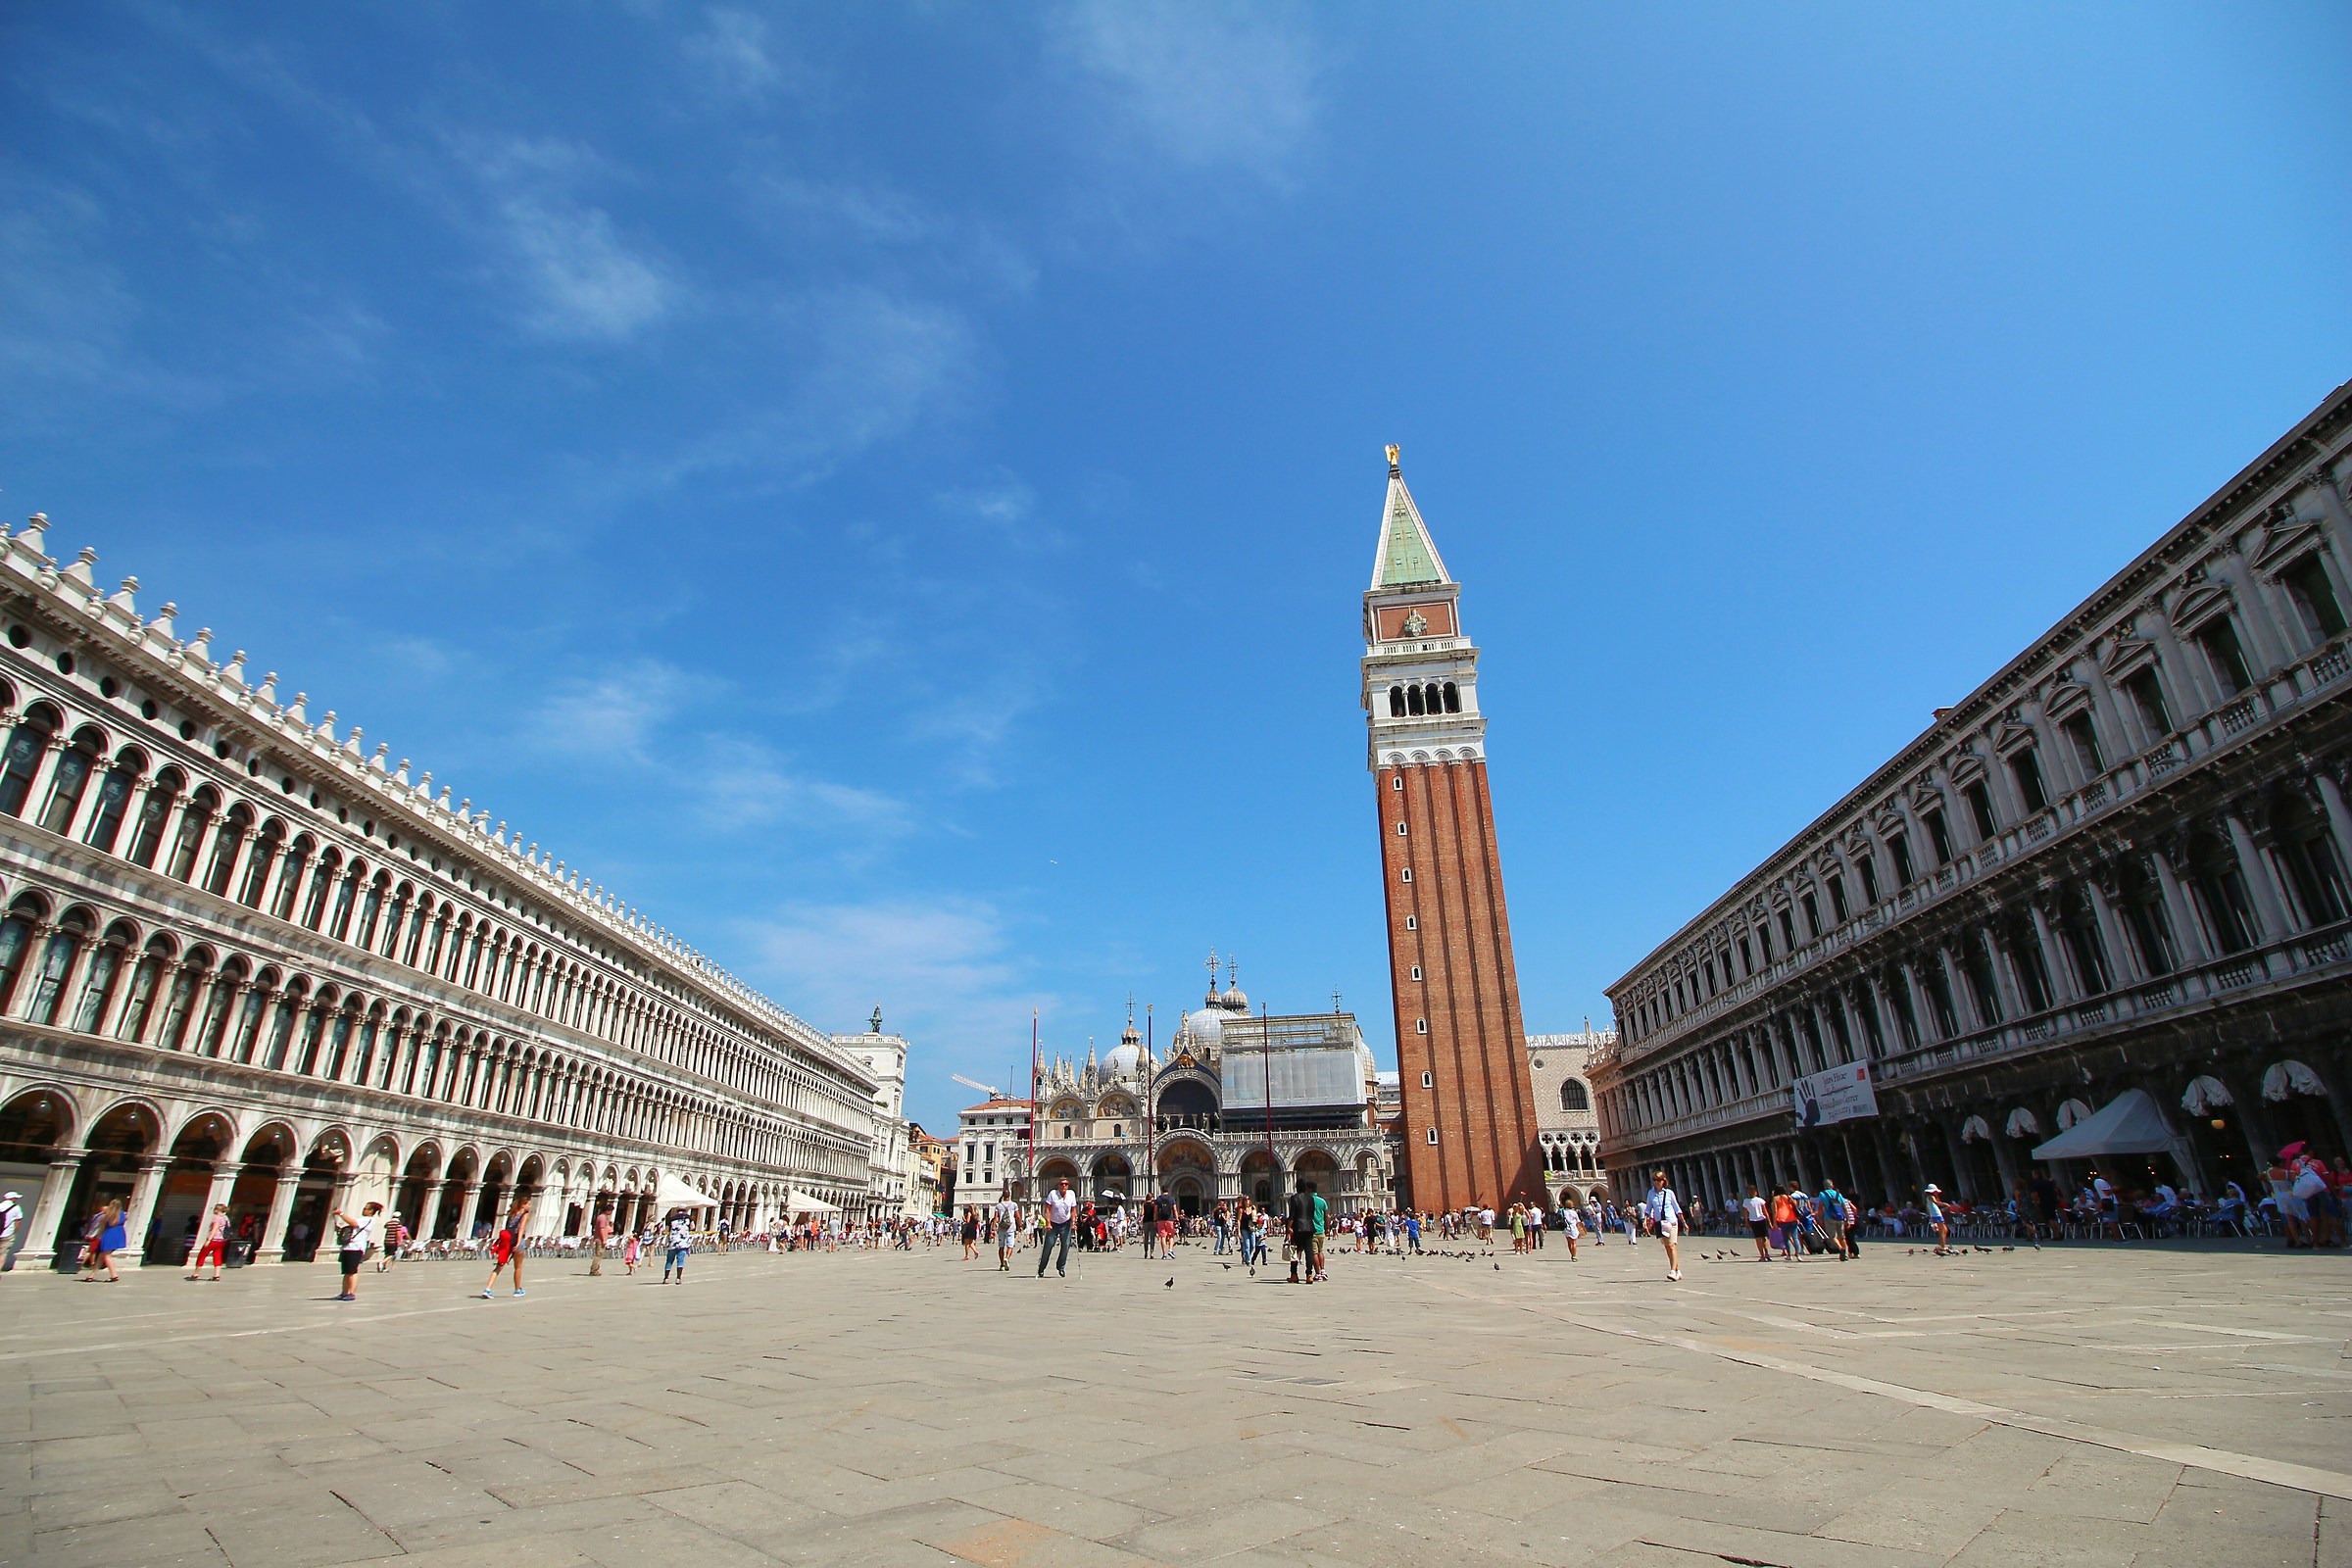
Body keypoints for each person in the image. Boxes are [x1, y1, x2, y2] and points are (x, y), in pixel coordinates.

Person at [479, 1197, 532, 1298]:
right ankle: (517, 1290)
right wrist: (518, 1242)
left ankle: (488, 1289)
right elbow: (521, 1228)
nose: (530, 1206)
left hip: (507, 1241)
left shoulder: (511, 1214)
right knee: (518, 1267)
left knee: (499, 1266)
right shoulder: (525, 1215)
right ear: (523, 1205)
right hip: (517, 1241)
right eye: (528, 1204)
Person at [332, 1200, 379, 1301]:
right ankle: (344, 1293)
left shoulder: (368, 1220)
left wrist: (341, 1213)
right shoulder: (363, 1219)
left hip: (356, 1248)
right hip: (348, 1247)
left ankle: (352, 1293)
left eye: (366, 1208)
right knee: (346, 1272)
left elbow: (353, 1223)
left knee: (352, 1271)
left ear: (371, 1211)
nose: (364, 1210)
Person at [1642, 1170, 1684, 1282]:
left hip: (1671, 1222)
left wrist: (1683, 1222)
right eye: (1654, 1180)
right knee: (1667, 1248)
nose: (1656, 1182)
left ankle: (1672, 1271)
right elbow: (1648, 1208)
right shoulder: (1651, 1193)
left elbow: (1677, 1208)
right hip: (1660, 1223)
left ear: (1663, 1181)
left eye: (1659, 1180)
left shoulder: (1669, 1193)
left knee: (1671, 1245)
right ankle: (1677, 1270)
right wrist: (1645, 1221)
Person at [1038, 1177, 1077, 1278]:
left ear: (1068, 1185)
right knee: (1048, 1246)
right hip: (1053, 1224)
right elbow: (1047, 1209)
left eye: (1065, 1184)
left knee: (1066, 1245)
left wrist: (1073, 1222)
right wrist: (1048, 1223)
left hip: (1066, 1223)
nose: (1063, 1186)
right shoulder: (1053, 1194)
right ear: (1058, 1186)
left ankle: (1061, 1266)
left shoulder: (1071, 1194)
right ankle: (1042, 1268)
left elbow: (1073, 1210)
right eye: (1061, 1184)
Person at [77, 1200, 125, 1282]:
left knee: (107, 1255)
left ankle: (114, 1275)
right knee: (101, 1256)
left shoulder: (108, 1215)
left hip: (109, 1234)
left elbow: (102, 1227)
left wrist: (95, 1236)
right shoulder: (123, 1214)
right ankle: (91, 1275)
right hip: (119, 1233)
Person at [185, 1202, 231, 1281]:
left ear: (217, 1210)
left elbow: (214, 1229)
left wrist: (209, 1240)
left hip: (214, 1240)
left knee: (202, 1255)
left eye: (215, 1209)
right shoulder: (226, 1218)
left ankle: (195, 1274)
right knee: (217, 1256)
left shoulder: (217, 1218)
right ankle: (217, 1275)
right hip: (222, 1240)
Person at [1285, 1183, 1317, 1285]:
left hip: (1298, 1228)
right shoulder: (1311, 1198)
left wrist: (1288, 1228)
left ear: (1296, 1188)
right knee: (1309, 1252)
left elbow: (1292, 1215)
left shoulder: (1294, 1198)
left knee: (1294, 1251)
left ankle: (1294, 1275)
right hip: (1309, 1227)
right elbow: (1311, 1214)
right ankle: (1309, 1275)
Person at [1815, 1177, 1850, 1261]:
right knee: (1842, 1237)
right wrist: (1847, 1219)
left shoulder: (1822, 1194)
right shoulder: (1838, 1194)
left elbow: (1820, 1207)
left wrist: (1820, 1218)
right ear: (1832, 1185)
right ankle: (1845, 1254)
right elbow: (1844, 1207)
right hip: (1840, 1217)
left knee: (1832, 1236)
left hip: (1829, 1217)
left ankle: (1840, 1248)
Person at [662, 1208, 693, 1282]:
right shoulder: (688, 1218)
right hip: (683, 1242)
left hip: (673, 1241)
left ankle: (666, 1278)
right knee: (680, 1260)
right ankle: (678, 1278)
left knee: (669, 1260)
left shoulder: (671, 1219)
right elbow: (692, 1227)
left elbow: (666, 1229)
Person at [1741, 1186, 1770, 1262]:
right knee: (1763, 1237)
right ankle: (1765, 1254)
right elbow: (1765, 1212)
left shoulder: (1747, 1201)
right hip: (1760, 1219)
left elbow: (1746, 1213)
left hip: (1755, 1220)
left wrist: (1746, 1222)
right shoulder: (1759, 1200)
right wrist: (1769, 1221)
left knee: (1760, 1238)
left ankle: (1763, 1255)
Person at [994, 1195, 1020, 1270]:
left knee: (1001, 1247)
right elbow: (1017, 1216)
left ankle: (1002, 1265)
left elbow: (996, 1217)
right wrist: (1020, 1224)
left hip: (1001, 1227)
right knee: (1010, 1246)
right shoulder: (1014, 1204)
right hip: (1011, 1227)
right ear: (1009, 1195)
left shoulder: (998, 1205)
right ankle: (1007, 1258)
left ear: (1003, 1196)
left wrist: (993, 1227)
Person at [1923, 1184, 1951, 1254]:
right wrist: (1945, 1204)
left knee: (1945, 1230)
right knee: (1942, 1231)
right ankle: (1942, 1246)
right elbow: (1937, 1203)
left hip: (1936, 1215)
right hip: (1936, 1215)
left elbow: (1928, 1208)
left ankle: (1942, 1245)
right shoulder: (1930, 1196)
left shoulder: (1928, 1198)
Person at [0, 1189, 20, 1271]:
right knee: (2, 1254)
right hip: (7, 1234)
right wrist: (14, 1232)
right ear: (12, 1199)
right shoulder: (16, 1208)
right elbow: (18, 1221)